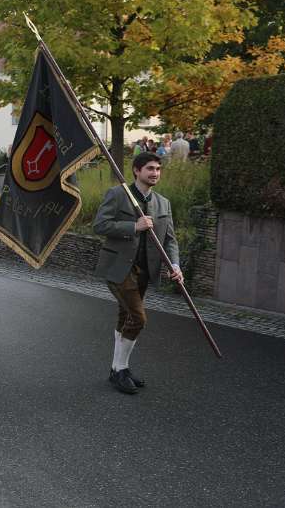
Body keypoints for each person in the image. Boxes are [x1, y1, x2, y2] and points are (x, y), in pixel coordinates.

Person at [93, 152, 182, 395]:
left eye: (158, 169)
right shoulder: (118, 194)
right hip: (119, 267)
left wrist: (175, 265)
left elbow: (170, 239)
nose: (155, 173)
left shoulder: (163, 203)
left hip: (146, 270)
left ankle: (117, 368)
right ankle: (121, 369)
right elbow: (99, 225)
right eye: (150, 168)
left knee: (125, 317)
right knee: (138, 318)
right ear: (136, 170)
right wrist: (134, 226)